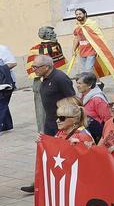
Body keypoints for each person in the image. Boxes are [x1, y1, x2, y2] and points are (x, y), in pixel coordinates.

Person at [21, 55, 76, 194]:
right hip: (50, 122)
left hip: (61, 124)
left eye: (36, 67)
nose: (34, 69)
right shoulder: (44, 78)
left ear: (47, 67)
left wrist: (68, 122)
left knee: (59, 154)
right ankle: (40, 182)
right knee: (45, 152)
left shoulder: (60, 79)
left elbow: (72, 100)